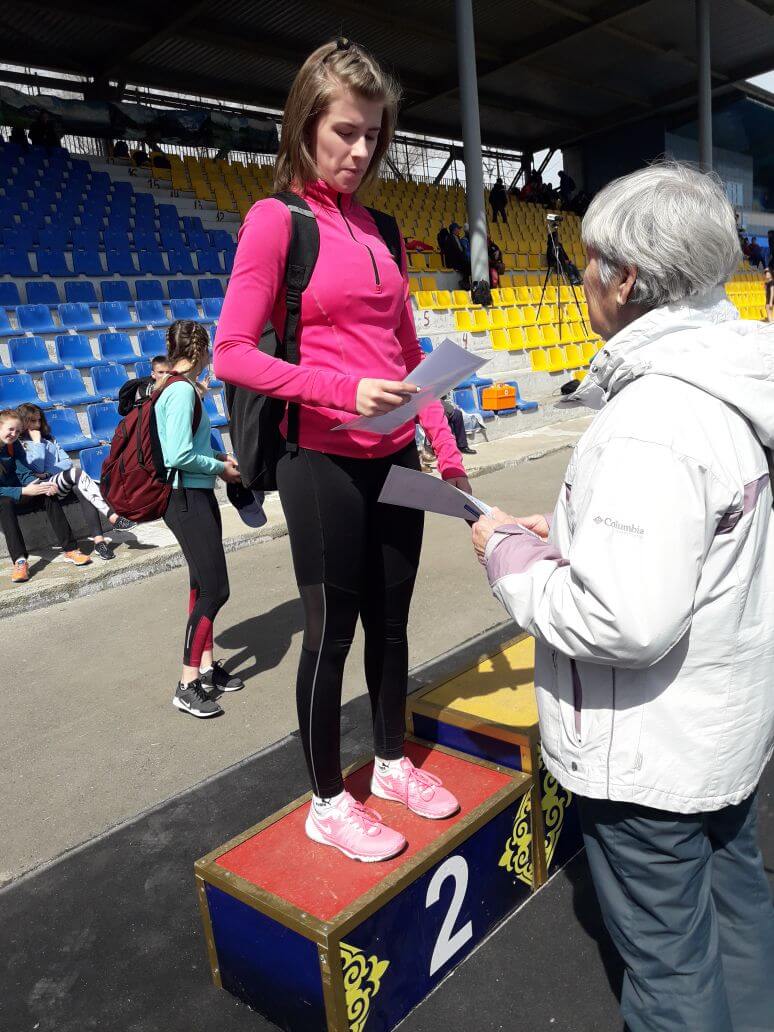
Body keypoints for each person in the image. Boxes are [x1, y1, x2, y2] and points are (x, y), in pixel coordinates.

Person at [472, 162, 774, 1032]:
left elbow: (624, 620)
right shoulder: (730, 378)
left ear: (626, 279)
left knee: (670, 972)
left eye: (591, 259)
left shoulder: (652, 420)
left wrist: (510, 559)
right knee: (740, 916)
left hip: (652, 758)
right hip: (721, 730)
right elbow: (697, 545)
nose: (582, 276)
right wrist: (575, 537)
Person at [214, 38, 468, 862]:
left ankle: (390, 762)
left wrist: (446, 456)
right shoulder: (275, 220)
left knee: (394, 624)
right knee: (333, 635)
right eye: (345, 132)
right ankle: (327, 801)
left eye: (373, 135)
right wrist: (338, 389)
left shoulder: (382, 227)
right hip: (319, 457)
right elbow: (231, 353)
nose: (360, 151)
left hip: (394, 456)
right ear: (305, 126)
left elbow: (409, 357)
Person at [153, 321, 243, 717]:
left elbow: (189, 446)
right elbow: (177, 455)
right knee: (215, 590)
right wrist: (220, 468)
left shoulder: (177, 387)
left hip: (194, 494)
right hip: (185, 498)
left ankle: (205, 670)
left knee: (201, 584)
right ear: (201, 351)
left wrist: (218, 458)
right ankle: (186, 682)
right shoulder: (181, 391)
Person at [16, 403, 134, 561]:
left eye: (39, 420)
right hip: (43, 487)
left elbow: (67, 462)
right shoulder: (20, 444)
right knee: (78, 473)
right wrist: (37, 444)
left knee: (81, 487)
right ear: (24, 422)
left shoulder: (49, 439)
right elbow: (37, 467)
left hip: (59, 481)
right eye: (32, 421)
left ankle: (99, 542)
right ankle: (113, 517)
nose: (37, 425)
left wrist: (49, 472)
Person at [0, 409, 91, 582]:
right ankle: (20, 561)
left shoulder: (13, 444)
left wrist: (38, 485)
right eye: (10, 429)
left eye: (18, 431)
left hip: (18, 491)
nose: (14, 434)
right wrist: (23, 491)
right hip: (5, 497)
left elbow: (24, 473)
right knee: (4, 503)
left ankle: (70, 549)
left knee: (47, 493)